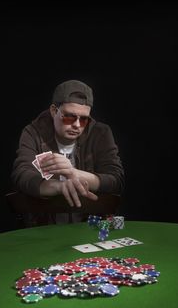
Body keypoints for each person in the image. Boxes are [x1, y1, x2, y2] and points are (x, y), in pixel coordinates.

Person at [11, 79, 124, 225]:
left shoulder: (100, 133)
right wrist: (58, 186)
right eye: (69, 117)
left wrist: (73, 173)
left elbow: (116, 180)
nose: (77, 125)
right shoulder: (33, 132)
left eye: (84, 119)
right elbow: (21, 175)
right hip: (45, 226)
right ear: (54, 111)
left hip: (90, 225)